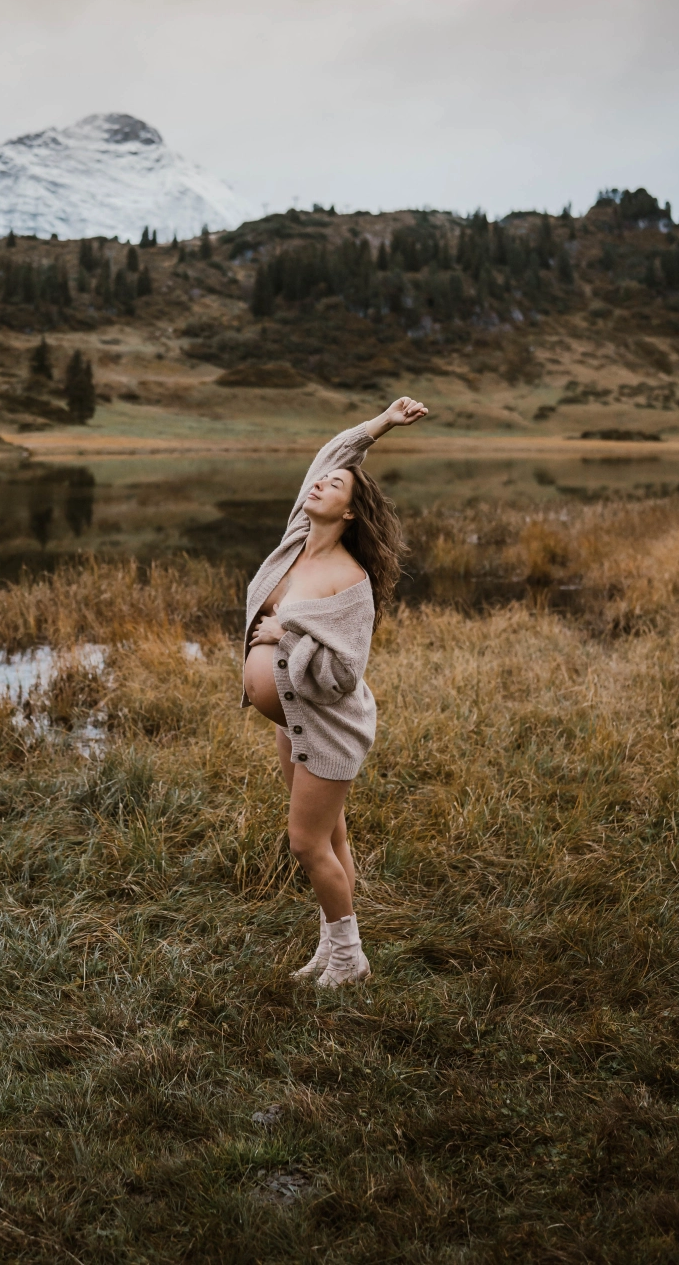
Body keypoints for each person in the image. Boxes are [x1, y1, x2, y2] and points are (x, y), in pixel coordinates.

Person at [242, 396, 428, 986]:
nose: (321, 482)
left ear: (351, 512)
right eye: (320, 480)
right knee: (332, 834)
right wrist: (382, 424)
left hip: (328, 727)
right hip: (290, 718)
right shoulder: (297, 538)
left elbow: (341, 675)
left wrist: (284, 634)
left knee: (305, 843)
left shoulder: (352, 584)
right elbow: (334, 451)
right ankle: (332, 947)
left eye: (336, 484)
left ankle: (350, 959)